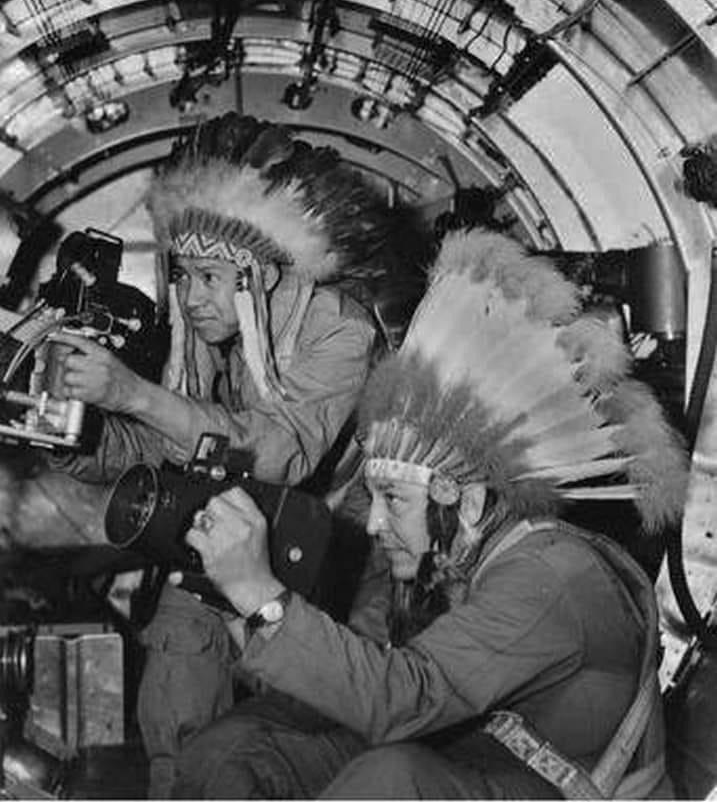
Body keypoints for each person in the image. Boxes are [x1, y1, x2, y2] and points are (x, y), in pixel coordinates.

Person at [172, 227, 689, 800]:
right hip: (473, 751)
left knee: (389, 781)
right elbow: (372, 668)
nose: (374, 523)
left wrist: (262, 599)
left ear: (465, 499)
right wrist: (246, 623)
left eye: (395, 501)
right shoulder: (452, 557)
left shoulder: (547, 574)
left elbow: (401, 700)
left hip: (556, 785)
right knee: (233, 754)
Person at [50, 112, 421, 797]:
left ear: (260, 277)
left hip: (343, 561)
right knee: (174, 688)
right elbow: (171, 443)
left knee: (309, 745)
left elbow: (278, 451)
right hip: (232, 533)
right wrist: (73, 427)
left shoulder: (338, 328)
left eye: (209, 278)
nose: (190, 299)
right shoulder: (205, 344)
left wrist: (132, 393)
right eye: (181, 276)